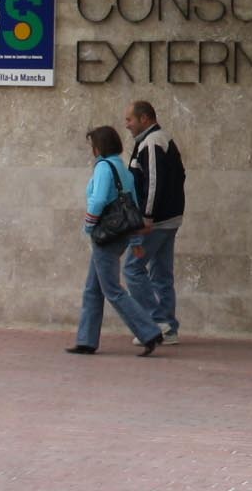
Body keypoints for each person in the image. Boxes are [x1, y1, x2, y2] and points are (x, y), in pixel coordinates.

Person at [71, 125, 161, 357]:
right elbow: (133, 207)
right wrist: (135, 241)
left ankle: (149, 331)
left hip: (105, 234)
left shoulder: (102, 167)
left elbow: (99, 199)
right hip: (121, 234)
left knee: (112, 290)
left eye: (93, 145)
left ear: (98, 147)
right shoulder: (122, 168)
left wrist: (89, 226)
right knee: (93, 287)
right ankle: (86, 340)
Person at [121, 99, 185, 342]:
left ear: (144, 119)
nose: (127, 125)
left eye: (130, 119)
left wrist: (146, 217)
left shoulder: (152, 142)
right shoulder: (158, 140)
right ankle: (169, 327)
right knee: (161, 274)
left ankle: (156, 321)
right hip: (168, 219)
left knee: (132, 268)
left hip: (156, 222)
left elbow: (154, 181)